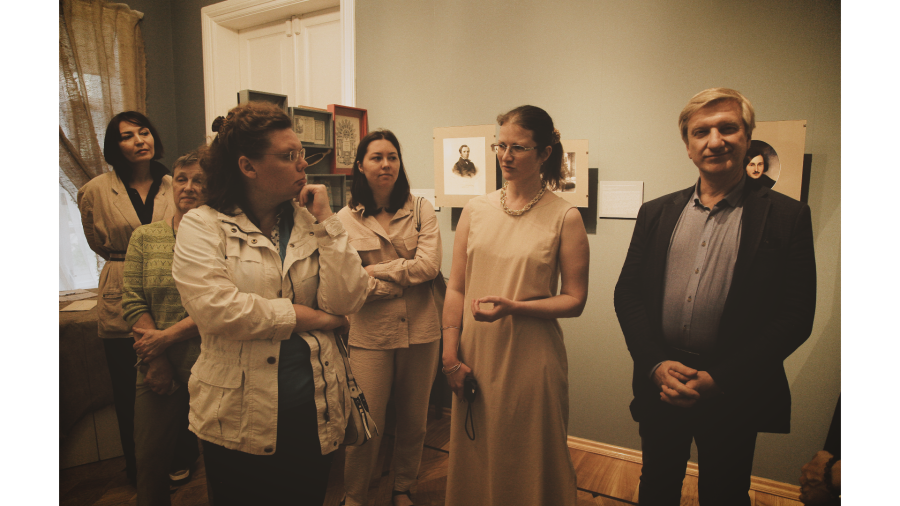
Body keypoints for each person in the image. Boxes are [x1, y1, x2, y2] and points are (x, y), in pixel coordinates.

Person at [613, 88, 817, 505]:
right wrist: (654, 364)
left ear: (748, 137)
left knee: (725, 492)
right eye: (701, 132)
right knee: (656, 485)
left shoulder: (788, 216)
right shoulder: (655, 213)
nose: (715, 140)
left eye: (728, 128)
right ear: (688, 146)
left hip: (734, 387)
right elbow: (628, 293)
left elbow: (796, 314)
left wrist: (721, 378)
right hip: (662, 381)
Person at [171, 102, 368, 506]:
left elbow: (348, 298)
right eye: (289, 155)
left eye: (302, 153)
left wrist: (328, 221)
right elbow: (218, 310)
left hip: (315, 406)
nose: (303, 164)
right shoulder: (202, 225)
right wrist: (309, 317)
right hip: (238, 415)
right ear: (248, 166)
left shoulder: (309, 222)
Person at [442, 105, 590, 506]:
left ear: (544, 153)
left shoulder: (565, 216)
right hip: (475, 352)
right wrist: (450, 355)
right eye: (500, 146)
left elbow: (575, 300)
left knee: (528, 453)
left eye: (518, 148)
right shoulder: (475, 210)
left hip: (531, 357)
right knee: (477, 449)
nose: (505, 156)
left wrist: (515, 307)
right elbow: (456, 288)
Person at [337, 130, 442, 506]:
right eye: (377, 157)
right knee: (367, 422)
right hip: (370, 334)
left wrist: (374, 271)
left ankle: (403, 488)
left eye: (392, 157)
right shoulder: (344, 219)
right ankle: (354, 496)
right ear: (360, 166)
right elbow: (346, 283)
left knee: (414, 420)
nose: (386, 164)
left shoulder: (421, 209)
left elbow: (429, 266)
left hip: (422, 331)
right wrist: (394, 284)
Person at [78, 111, 175, 486]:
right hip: (120, 282)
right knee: (127, 386)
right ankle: (138, 466)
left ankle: (179, 457)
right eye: (127, 135)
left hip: (169, 286)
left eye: (144, 132)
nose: (139, 140)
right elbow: (96, 240)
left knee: (178, 376)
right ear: (114, 146)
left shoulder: (174, 184)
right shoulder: (95, 190)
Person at [122, 149, 208, 505]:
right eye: (182, 179)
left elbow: (220, 306)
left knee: (220, 459)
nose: (188, 187)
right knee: (150, 457)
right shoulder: (144, 237)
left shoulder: (221, 236)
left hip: (212, 363)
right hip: (156, 363)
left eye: (199, 180)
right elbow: (133, 300)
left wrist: (166, 338)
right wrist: (156, 358)